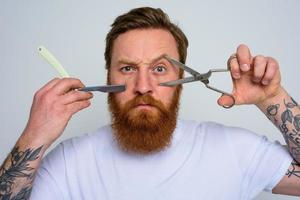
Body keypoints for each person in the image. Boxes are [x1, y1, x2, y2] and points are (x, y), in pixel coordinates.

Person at [0, 7, 300, 200]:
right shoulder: (68, 164)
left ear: (181, 76)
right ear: (108, 76)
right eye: (128, 69)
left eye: (159, 69)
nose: (143, 87)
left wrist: (273, 99)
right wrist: (34, 135)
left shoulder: (237, 151)